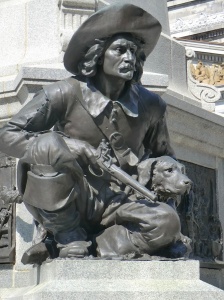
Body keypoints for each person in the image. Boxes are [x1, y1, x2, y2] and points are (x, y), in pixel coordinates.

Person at [0, 4, 182, 260]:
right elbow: (7, 134)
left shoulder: (152, 105)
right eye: (120, 49)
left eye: (133, 51)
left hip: (122, 199)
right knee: (48, 144)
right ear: (98, 54)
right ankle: (68, 236)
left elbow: (165, 156)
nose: (129, 58)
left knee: (168, 224)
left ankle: (100, 244)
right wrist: (72, 147)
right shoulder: (64, 92)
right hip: (74, 196)